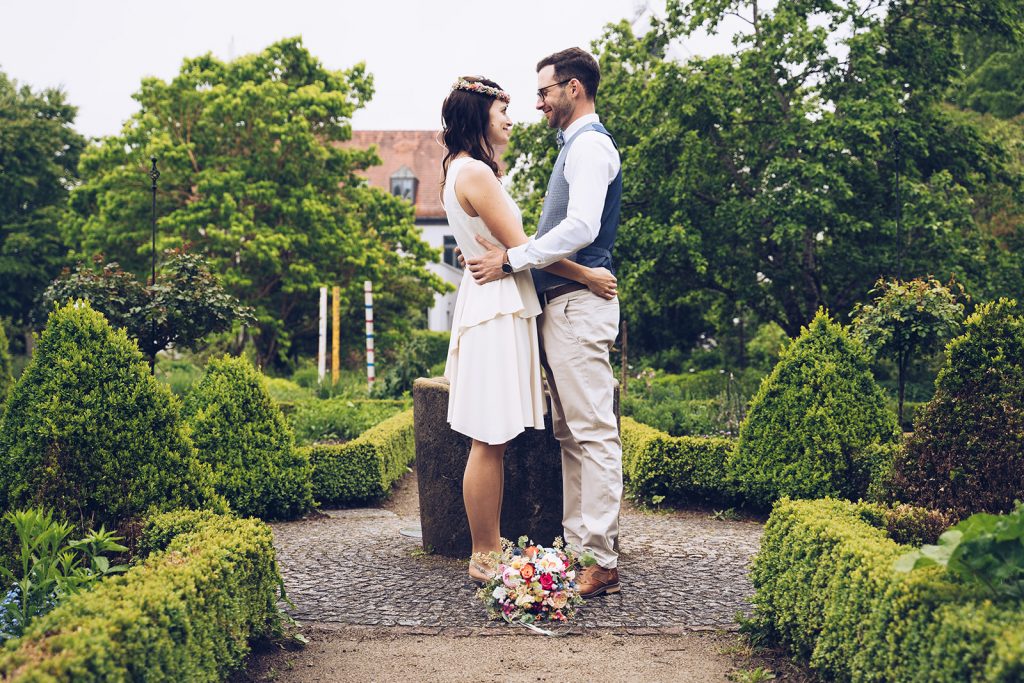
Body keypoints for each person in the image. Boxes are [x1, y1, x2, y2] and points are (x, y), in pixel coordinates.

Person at [439, 76, 617, 585]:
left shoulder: (457, 169)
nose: (512, 119)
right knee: (488, 437)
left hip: (489, 298)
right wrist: (585, 275)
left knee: (487, 437)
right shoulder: (477, 173)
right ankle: (486, 554)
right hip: (497, 305)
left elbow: (500, 246)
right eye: (502, 111)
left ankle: (486, 552)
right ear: (479, 117)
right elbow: (521, 247)